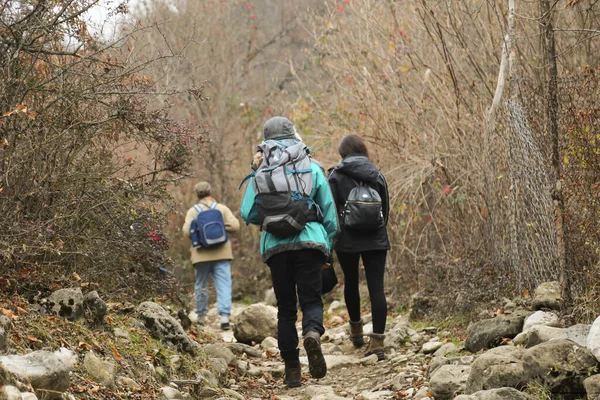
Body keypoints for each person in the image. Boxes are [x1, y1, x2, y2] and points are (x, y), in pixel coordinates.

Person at [240, 116, 338, 388]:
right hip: (310, 243)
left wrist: (273, 219)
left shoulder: (260, 169)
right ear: (294, 134)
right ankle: (312, 334)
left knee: (285, 308)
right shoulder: (311, 165)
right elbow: (329, 213)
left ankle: (292, 370)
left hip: (276, 247)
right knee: (311, 301)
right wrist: (326, 246)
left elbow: (247, 212)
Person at [327, 134, 390, 361]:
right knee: (376, 287)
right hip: (376, 237)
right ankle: (378, 342)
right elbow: (386, 207)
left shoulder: (335, 175)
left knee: (351, 282)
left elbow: (331, 210)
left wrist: (333, 238)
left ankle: (356, 332)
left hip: (347, 239)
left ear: (343, 153)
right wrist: (379, 231)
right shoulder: (377, 174)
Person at [183, 181, 240, 330]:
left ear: (197, 194)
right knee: (224, 284)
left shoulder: (193, 211)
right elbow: (235, 226)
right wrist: (221, 226)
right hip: (222, 253)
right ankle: (225, 318)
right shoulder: (221, 209)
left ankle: (201, 316)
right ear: (210, 191)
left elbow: (186, 231)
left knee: (201, 285)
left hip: (201, 255)